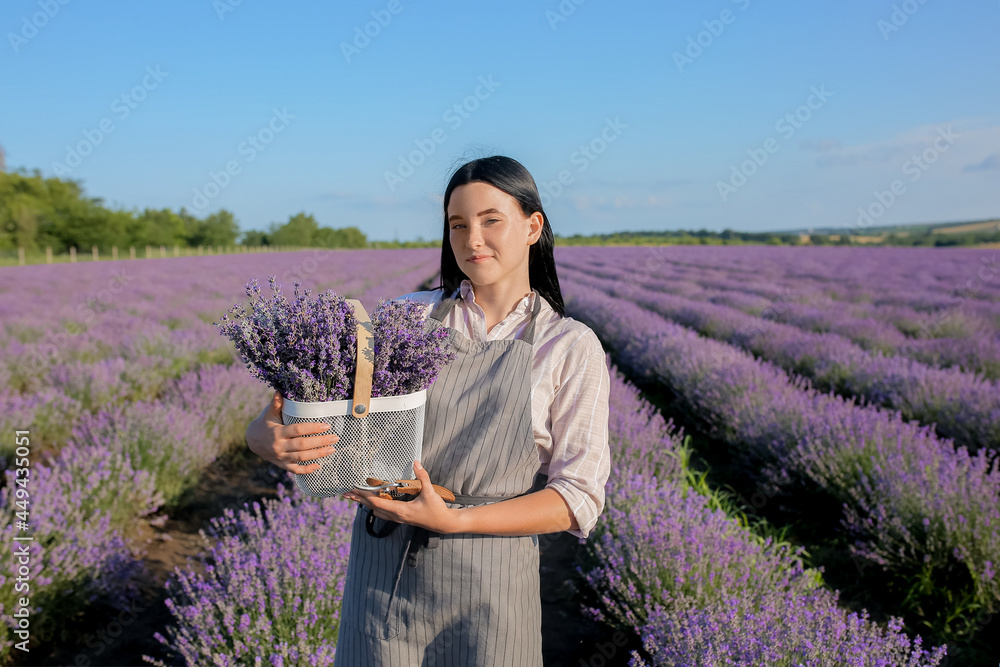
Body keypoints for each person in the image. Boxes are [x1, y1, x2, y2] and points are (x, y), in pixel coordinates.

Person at [245, 155, 611, 666]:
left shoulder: (569, 346)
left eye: (490, 220)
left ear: (533, 226)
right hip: (385, 568)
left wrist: (456, 521)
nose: (472, 239)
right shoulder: (405, 318)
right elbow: (321, 415)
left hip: (492, 582)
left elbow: (577, 497)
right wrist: (264, 437)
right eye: (458, 225)